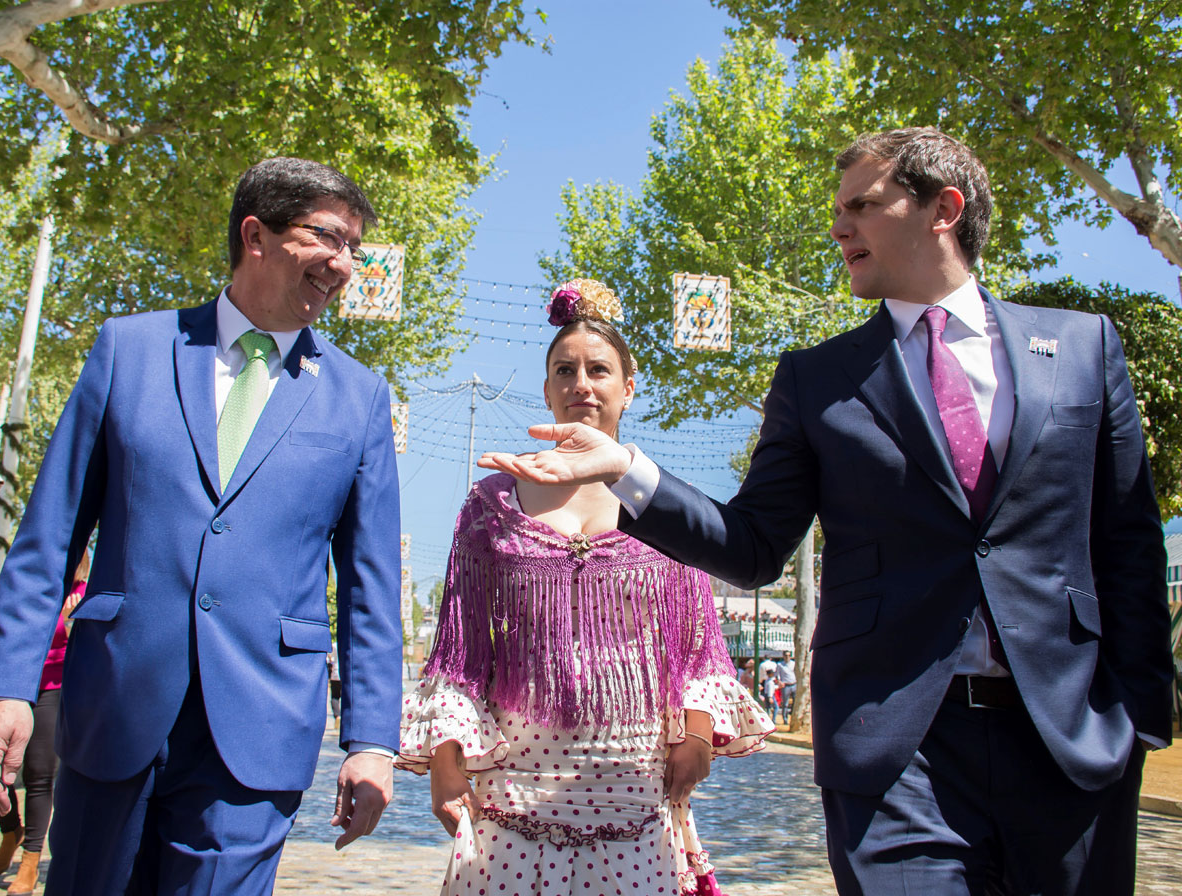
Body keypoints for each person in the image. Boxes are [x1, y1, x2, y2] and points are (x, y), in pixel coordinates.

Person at [480, 128, 1173, 894]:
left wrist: (1139, 721)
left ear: (943, 209)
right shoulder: (816, 381)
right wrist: (629, 472)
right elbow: (751, 547)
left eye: (863, 206)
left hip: (1072, 748)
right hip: (897, 758)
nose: (839, 227)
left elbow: (1128, 546)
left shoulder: (1083, 347)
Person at [0, 158, 403, 895]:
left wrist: (372, 741)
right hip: (113, 708)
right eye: (328, 239)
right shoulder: (129, 350)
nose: (345, 265)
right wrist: (6, 688)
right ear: (256, 235)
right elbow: (49, 540)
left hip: (258, 731)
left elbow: (371, 590)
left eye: (355, 251)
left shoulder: (360, 398)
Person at [399, 279, 772, 896]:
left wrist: (700, 737)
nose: (581, 383)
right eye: (564, 369)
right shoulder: (491, 503)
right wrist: (445, 765)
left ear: (627, 386)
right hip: (512, 789)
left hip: (635, 786)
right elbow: (460, 654)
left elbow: (700, 645)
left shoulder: (663, 504)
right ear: (546, 390)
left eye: (598, 369)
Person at [0, 552, 87, 894]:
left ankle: (30, 860)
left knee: (39, 775)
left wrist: (75, 620)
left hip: (54, 687)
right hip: (15, 685)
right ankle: (10, 829)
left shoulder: (83, 592)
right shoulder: (32, 590)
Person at [776, 650, 796, 726]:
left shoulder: (793, 664)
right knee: (785, 703)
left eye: (788, 655)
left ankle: (793, 717)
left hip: (794, 684)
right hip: (785, 685)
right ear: (783, 656)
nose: (787, 657)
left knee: (795, 702)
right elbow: (777, 675)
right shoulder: (780, 665)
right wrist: (779, 682)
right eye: (786, 655)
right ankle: (785, 719)